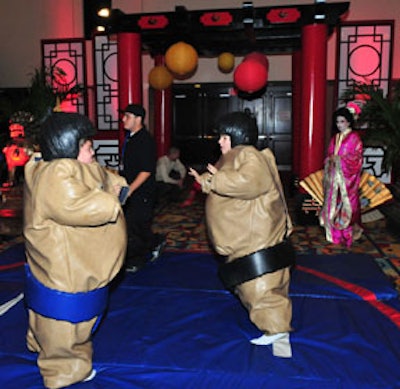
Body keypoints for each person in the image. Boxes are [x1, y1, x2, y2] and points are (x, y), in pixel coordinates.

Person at [23, 112, 127, 388]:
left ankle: (39, 341)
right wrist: (110, 201)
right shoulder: (56, 175)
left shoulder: (67, 169)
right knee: (66, 323)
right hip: (65, 270)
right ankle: (64, 370)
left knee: (49, 317)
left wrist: (114, 186)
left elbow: (109, 179)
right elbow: (81, 206)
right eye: (87, 146)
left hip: (64, 265)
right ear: (68, 145)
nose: (93, 151)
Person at [189, 111, 295, 358]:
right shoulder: (238, 156)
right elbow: (227, 180)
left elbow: (249, 183)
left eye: (224, 137)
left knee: (261, 287)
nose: (219, 142)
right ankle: (274, 325)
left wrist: (215, 181)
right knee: (254, 286)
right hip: (248, 238)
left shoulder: (248, 155)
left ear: (236, 135)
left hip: (257, 239)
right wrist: (206, 180)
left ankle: (277, 329)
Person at [120, 104, 166, 272]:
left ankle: (136, 260)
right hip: (131, 189)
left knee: (135, 225)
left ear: (138, 119)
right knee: (135, 226)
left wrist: (130, 189)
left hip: (142, 191)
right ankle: (156, 241)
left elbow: (146, 171)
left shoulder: (145, 140)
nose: (123, 119)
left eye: (127, 116)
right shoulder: (131, 137)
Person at [319, 106, 363, 248]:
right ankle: (334, 234)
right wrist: (330, 160)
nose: (339, 125)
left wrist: (339, 160)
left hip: (346, 180)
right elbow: (330, 155)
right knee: (333, 204)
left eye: (342, 121)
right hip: (334, 179)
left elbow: (356, 158)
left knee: (347, 205)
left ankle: (347, 234)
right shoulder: (335, 138)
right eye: (337, 122)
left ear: (349, 122)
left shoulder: (354, 138)